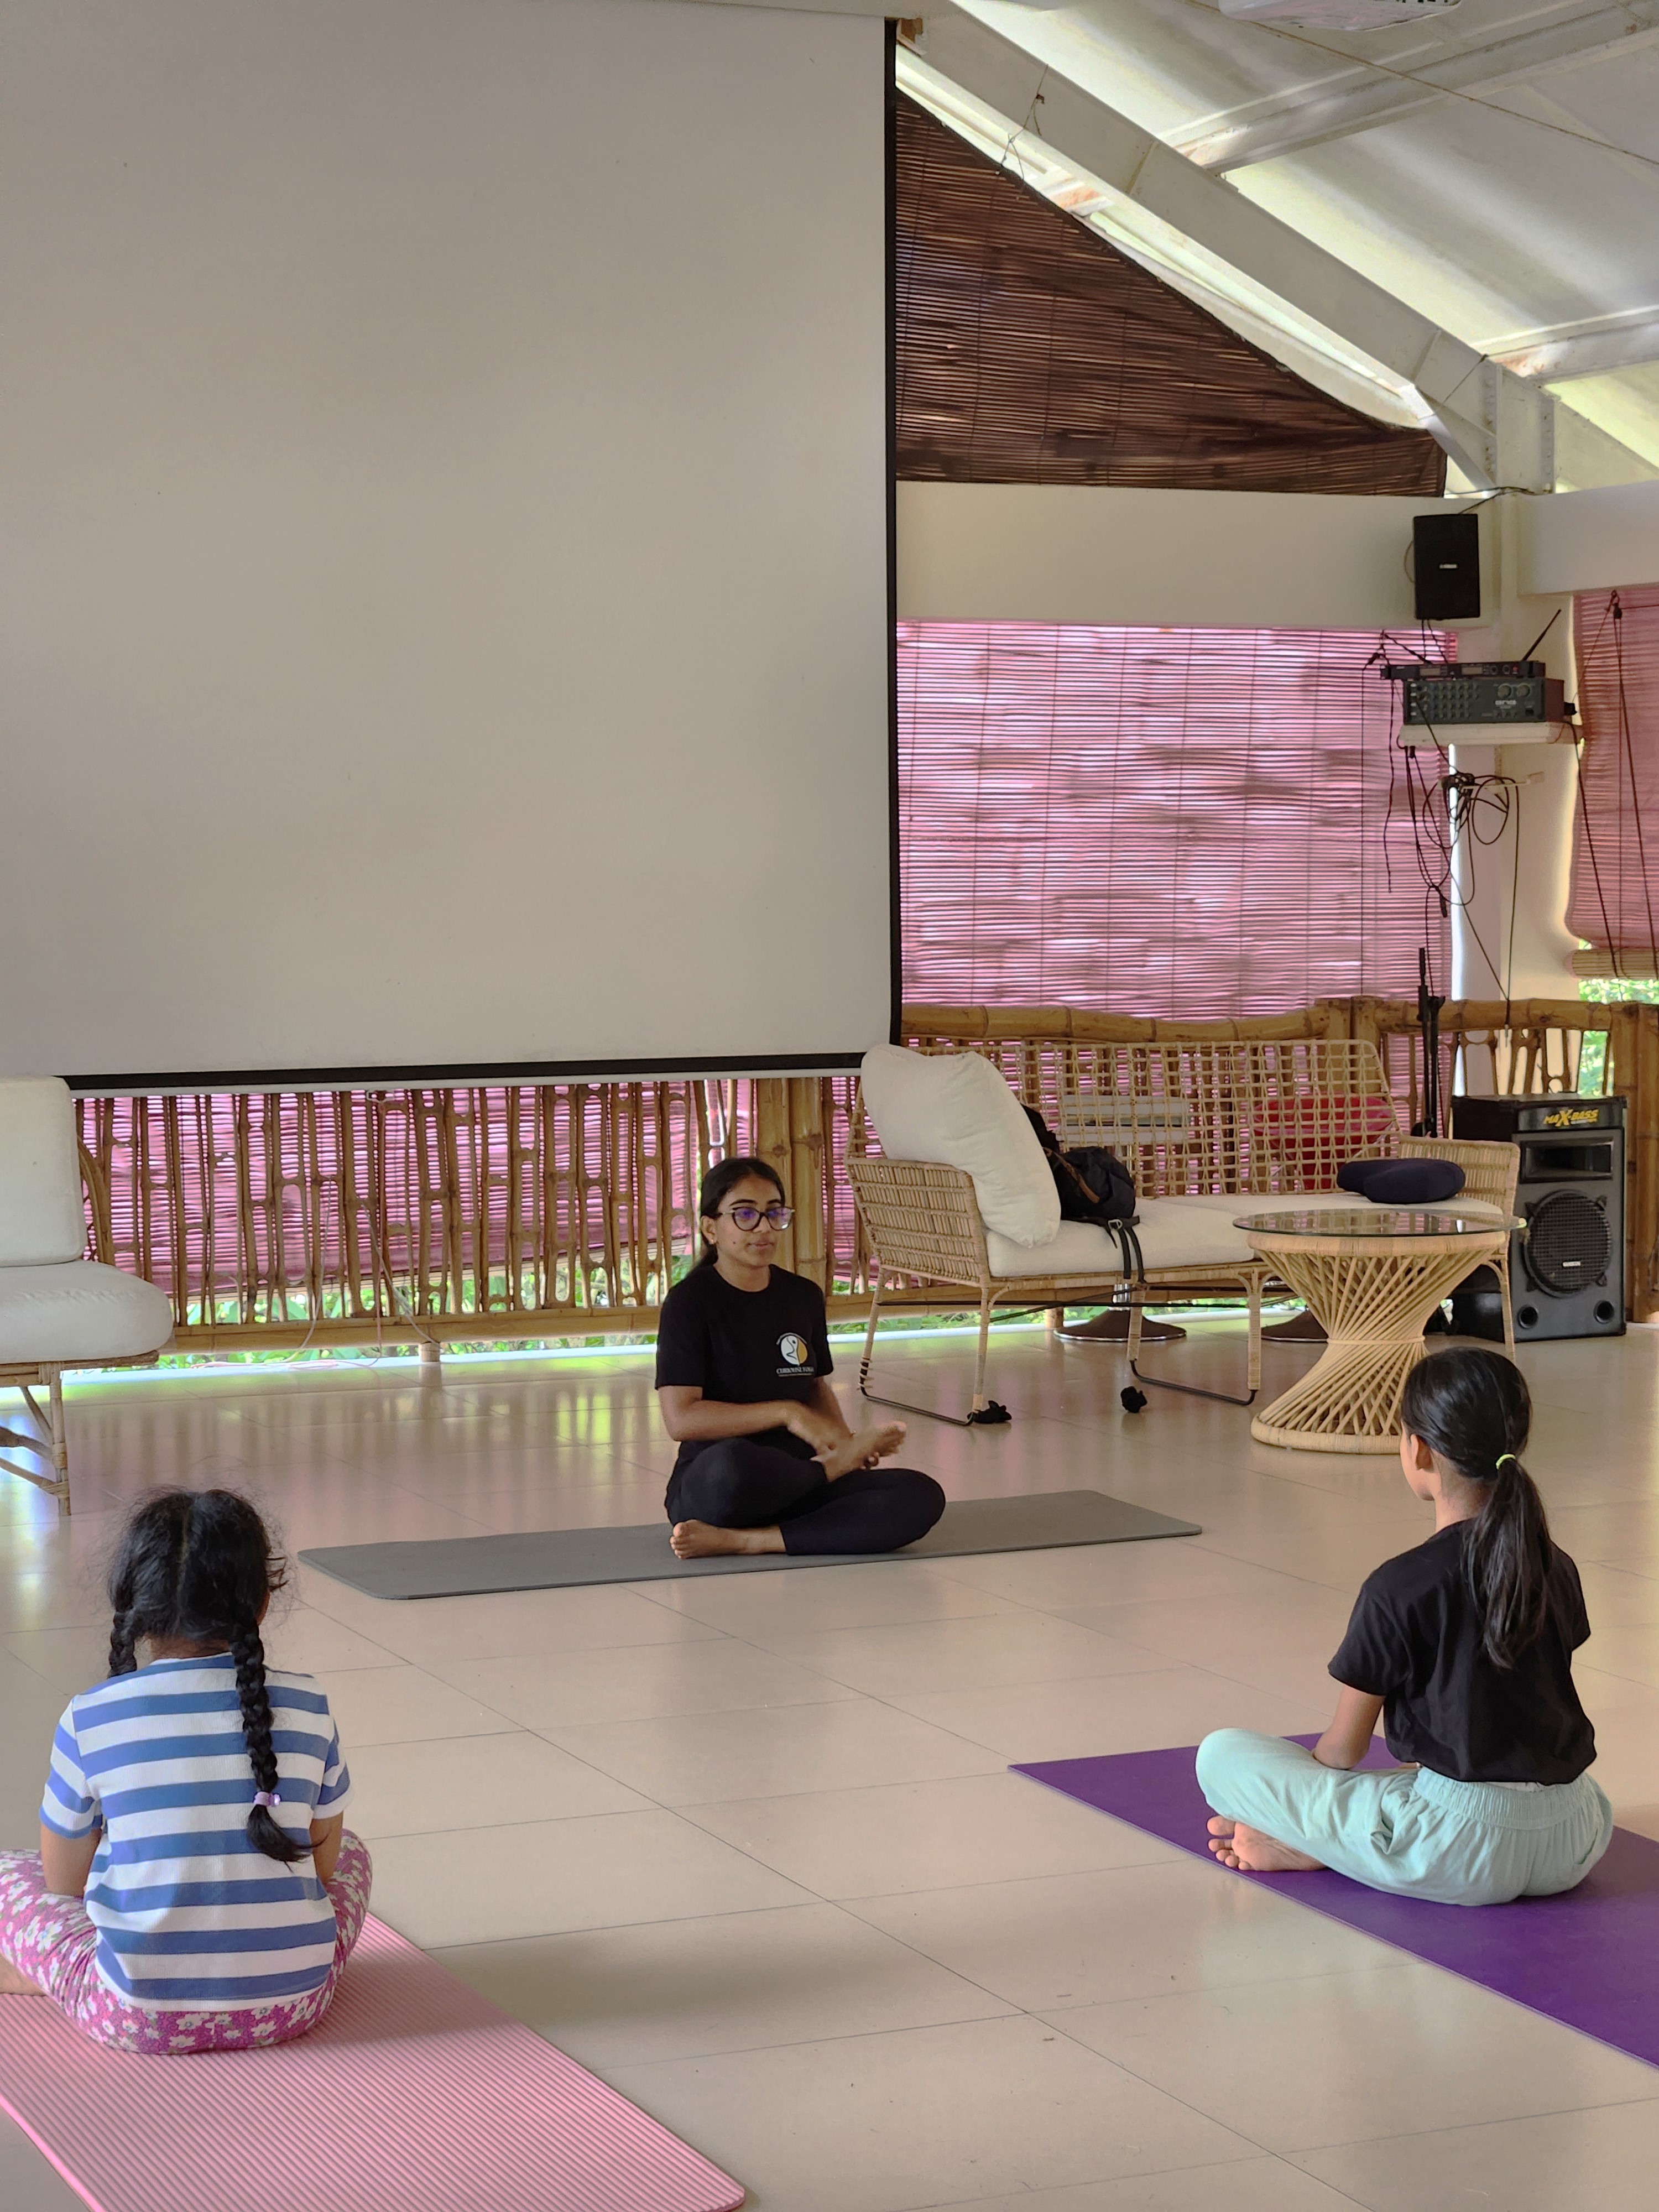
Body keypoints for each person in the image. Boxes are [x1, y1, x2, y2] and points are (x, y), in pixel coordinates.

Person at [1196, 1345, 1614, 1907]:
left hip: (1459, 1851)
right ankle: (1341, 1840)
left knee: (1222, 1755)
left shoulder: (1399, 1586)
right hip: (1575, 1837)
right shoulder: (1556, 1564)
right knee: (1415, 1788)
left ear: (1418, 1449)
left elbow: (1341, 1754)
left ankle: (1320, 1843)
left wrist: (1301, 1811)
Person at [0, 1488, 371, 2053]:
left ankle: (49, 1975)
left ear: (135, 1607)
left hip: (134, 2016)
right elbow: (321, 1871)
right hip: (294, 2004)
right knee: (356, 1854)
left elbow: (62, 1885)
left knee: (11, 1875)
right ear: (262, 1601)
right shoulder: (309, 1703)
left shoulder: (88, 1717)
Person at [655, 1155, 946, 1559]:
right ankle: (822, 1481)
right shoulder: (689, 1303)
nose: (764, 1228)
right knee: (731, 1465)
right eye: (745, 1215)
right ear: (710, 1228)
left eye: (774, 1213)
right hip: (726, 1483)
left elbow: (814, 1386)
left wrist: (842, 1442)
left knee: (921, 1496)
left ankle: (749, 1541)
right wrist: (787, 1414)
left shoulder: (802, 1296)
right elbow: (681, 1419)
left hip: (800, 1476)